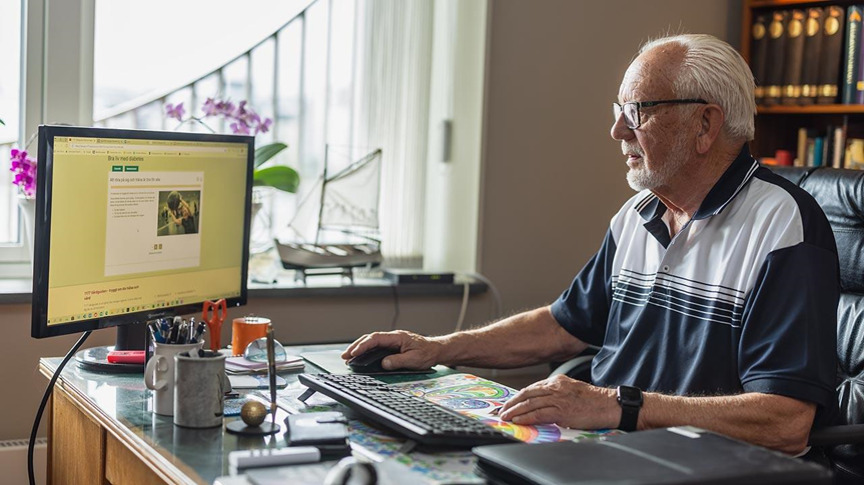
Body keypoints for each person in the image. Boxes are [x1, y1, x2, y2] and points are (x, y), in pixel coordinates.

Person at [342, 34, 839, 456]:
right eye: (618, 111)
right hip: (605, 446)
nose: (617, 130)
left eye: (637, 111)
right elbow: (563, 327)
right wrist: (439, 348)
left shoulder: (782, 226)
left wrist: (617, 406)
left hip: (687, 463)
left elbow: (785, 421)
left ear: (705, 125)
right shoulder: (638, 213)